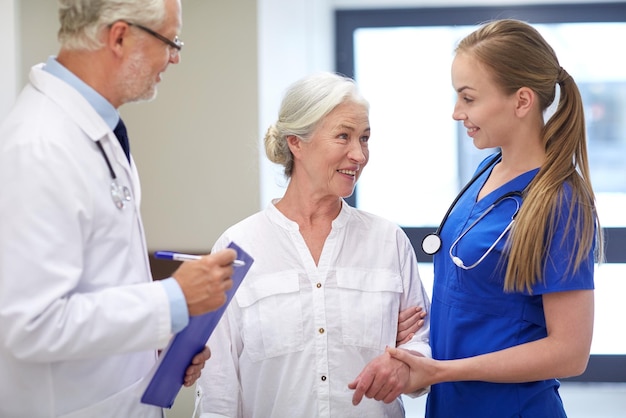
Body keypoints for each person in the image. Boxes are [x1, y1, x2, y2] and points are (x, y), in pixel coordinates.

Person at [351, 19, 603, 417]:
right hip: (451, 404)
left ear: (522, 101)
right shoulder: (487, 170)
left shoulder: (561, 202)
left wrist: (442, 370)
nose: (456, 113)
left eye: (468, 98)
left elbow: (569, 354)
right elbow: (474, 298)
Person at [0, 1, 238, 416]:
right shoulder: (39, 146)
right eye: (171, 41)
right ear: (121, 36)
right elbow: (31, 325)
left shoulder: (97, 130)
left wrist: (157, 337)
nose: (175, 57)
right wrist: (172, 299)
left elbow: (101, 282)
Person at [194, 72, 431, 418]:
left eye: (364, 139)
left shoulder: (388, 241)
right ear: (296, 143)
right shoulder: (237, 247)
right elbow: (218, 386)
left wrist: (406, 365)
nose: (359, 155)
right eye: (343, 137)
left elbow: (420, 344)